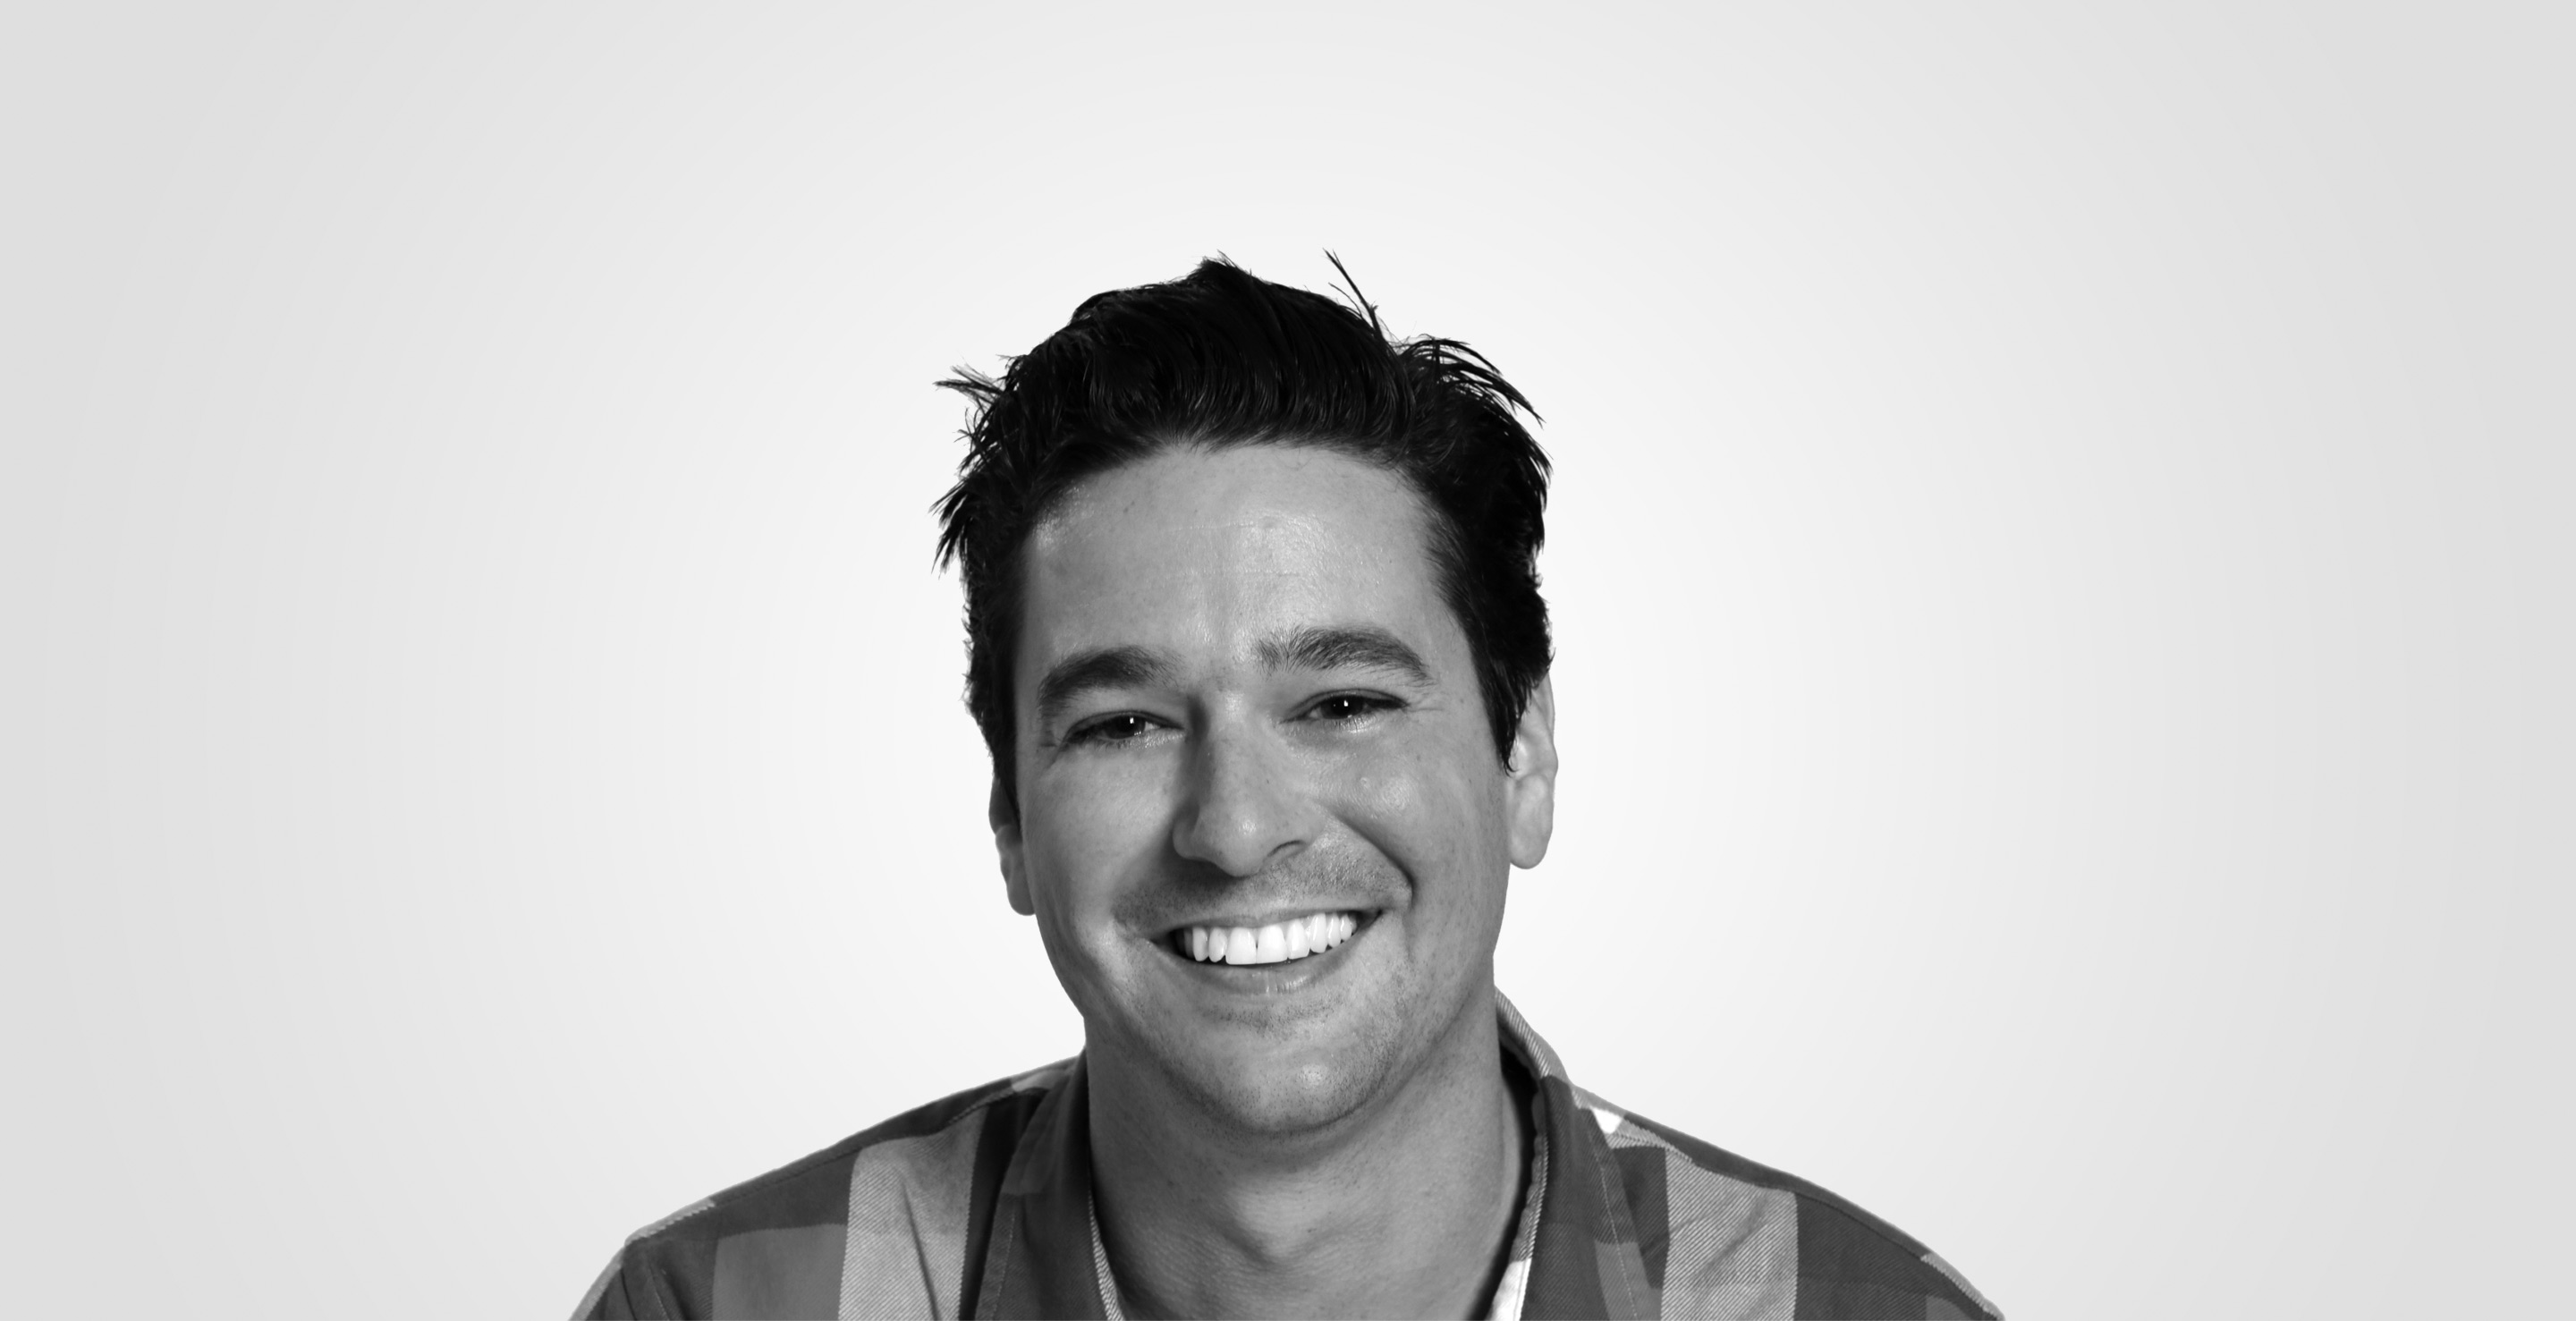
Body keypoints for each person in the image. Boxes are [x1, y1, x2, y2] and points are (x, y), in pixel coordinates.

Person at [575, 259, 1998, 1320]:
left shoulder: (1861, 1312)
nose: (1239, 825)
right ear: (1009, 817)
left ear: (1523, 756)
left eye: (1341, 703)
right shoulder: (718, 1306)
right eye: (1126, 723)